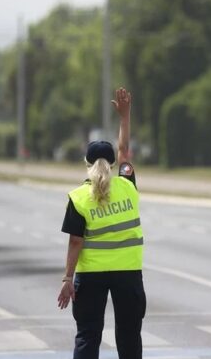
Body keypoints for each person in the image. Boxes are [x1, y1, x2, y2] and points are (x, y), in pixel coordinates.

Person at [57, 87, 145, 359]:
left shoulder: (79, 197)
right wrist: (125, 117)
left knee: (88, 334)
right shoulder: (126, 185)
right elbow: (125, 151)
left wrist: (67, 278)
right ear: (113, 163)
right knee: (129, 335)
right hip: (128, 273)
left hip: (91, 276)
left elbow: (75, 241)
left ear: (86, 164)